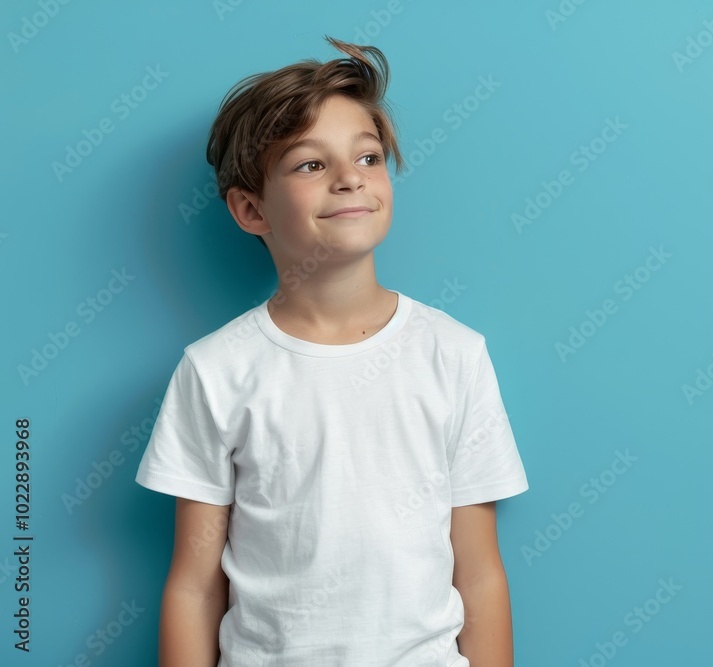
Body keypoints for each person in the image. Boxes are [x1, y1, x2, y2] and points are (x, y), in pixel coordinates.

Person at [134, 35, 529, 666]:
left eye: (369, 158)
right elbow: (194, 584)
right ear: (250, 208)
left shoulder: (455, 354)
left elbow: (479, 572)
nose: (351, 179)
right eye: (311, 165)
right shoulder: (216, 370)